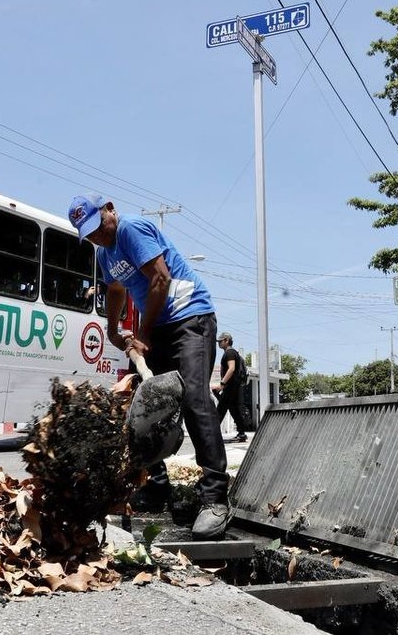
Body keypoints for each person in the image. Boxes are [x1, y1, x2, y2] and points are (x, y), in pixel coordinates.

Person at [67, 192, 232, 538]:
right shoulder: (104, 252)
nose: (98, 235)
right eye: (90, 233)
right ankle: (157, 486)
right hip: (158, 325)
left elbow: (160, 278)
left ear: (110, 208)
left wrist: (141, 333)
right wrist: (113, 329)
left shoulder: (131, 229)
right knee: (145, 405)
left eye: (99, 225)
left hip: (191, 319)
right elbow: (114, 290)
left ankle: (215, 496)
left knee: (193, 398)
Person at [211, 332, 249, 443]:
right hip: (234, 387)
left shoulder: (230, 353)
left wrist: (222, 384)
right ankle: (242, 434)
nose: (218, 343)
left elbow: (231, 369)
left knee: (220, 409)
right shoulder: (232, 352)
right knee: (234, 410)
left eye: (220, 341)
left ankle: (212, 436)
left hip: (231, 387)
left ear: (226, 340)